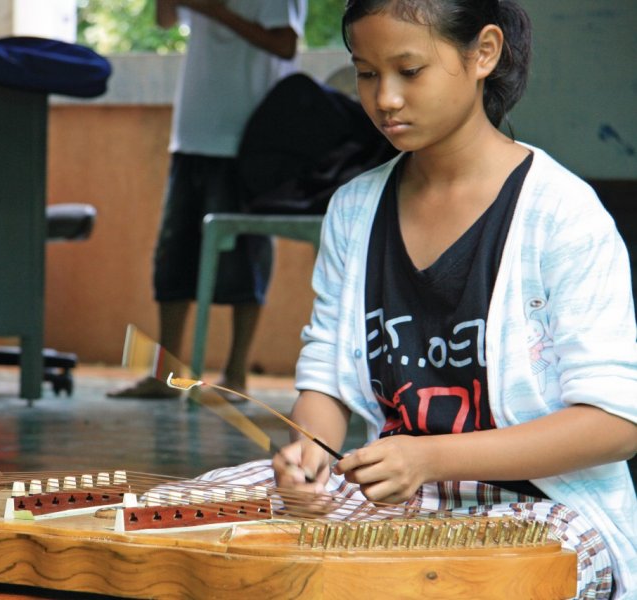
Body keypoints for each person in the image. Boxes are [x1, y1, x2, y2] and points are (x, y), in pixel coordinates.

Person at [190, 1, 637, 597]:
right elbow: (324, 378)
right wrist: (308, 456)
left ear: (483, 53)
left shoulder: (561, 215)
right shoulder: (353, 209)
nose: (385, 99)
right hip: (403, 496)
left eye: (409, 70)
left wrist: (431, 459)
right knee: (193, 520)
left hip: (546, 509)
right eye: (367, 73)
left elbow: (615, 422)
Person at [108, 0, 307, 400]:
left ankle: (236, 375)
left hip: (248, 141)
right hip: (191, 135)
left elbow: (285, 44)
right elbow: (165, 21)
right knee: (173, 256)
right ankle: (168, 376)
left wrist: (216, 11)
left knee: (244, 259)